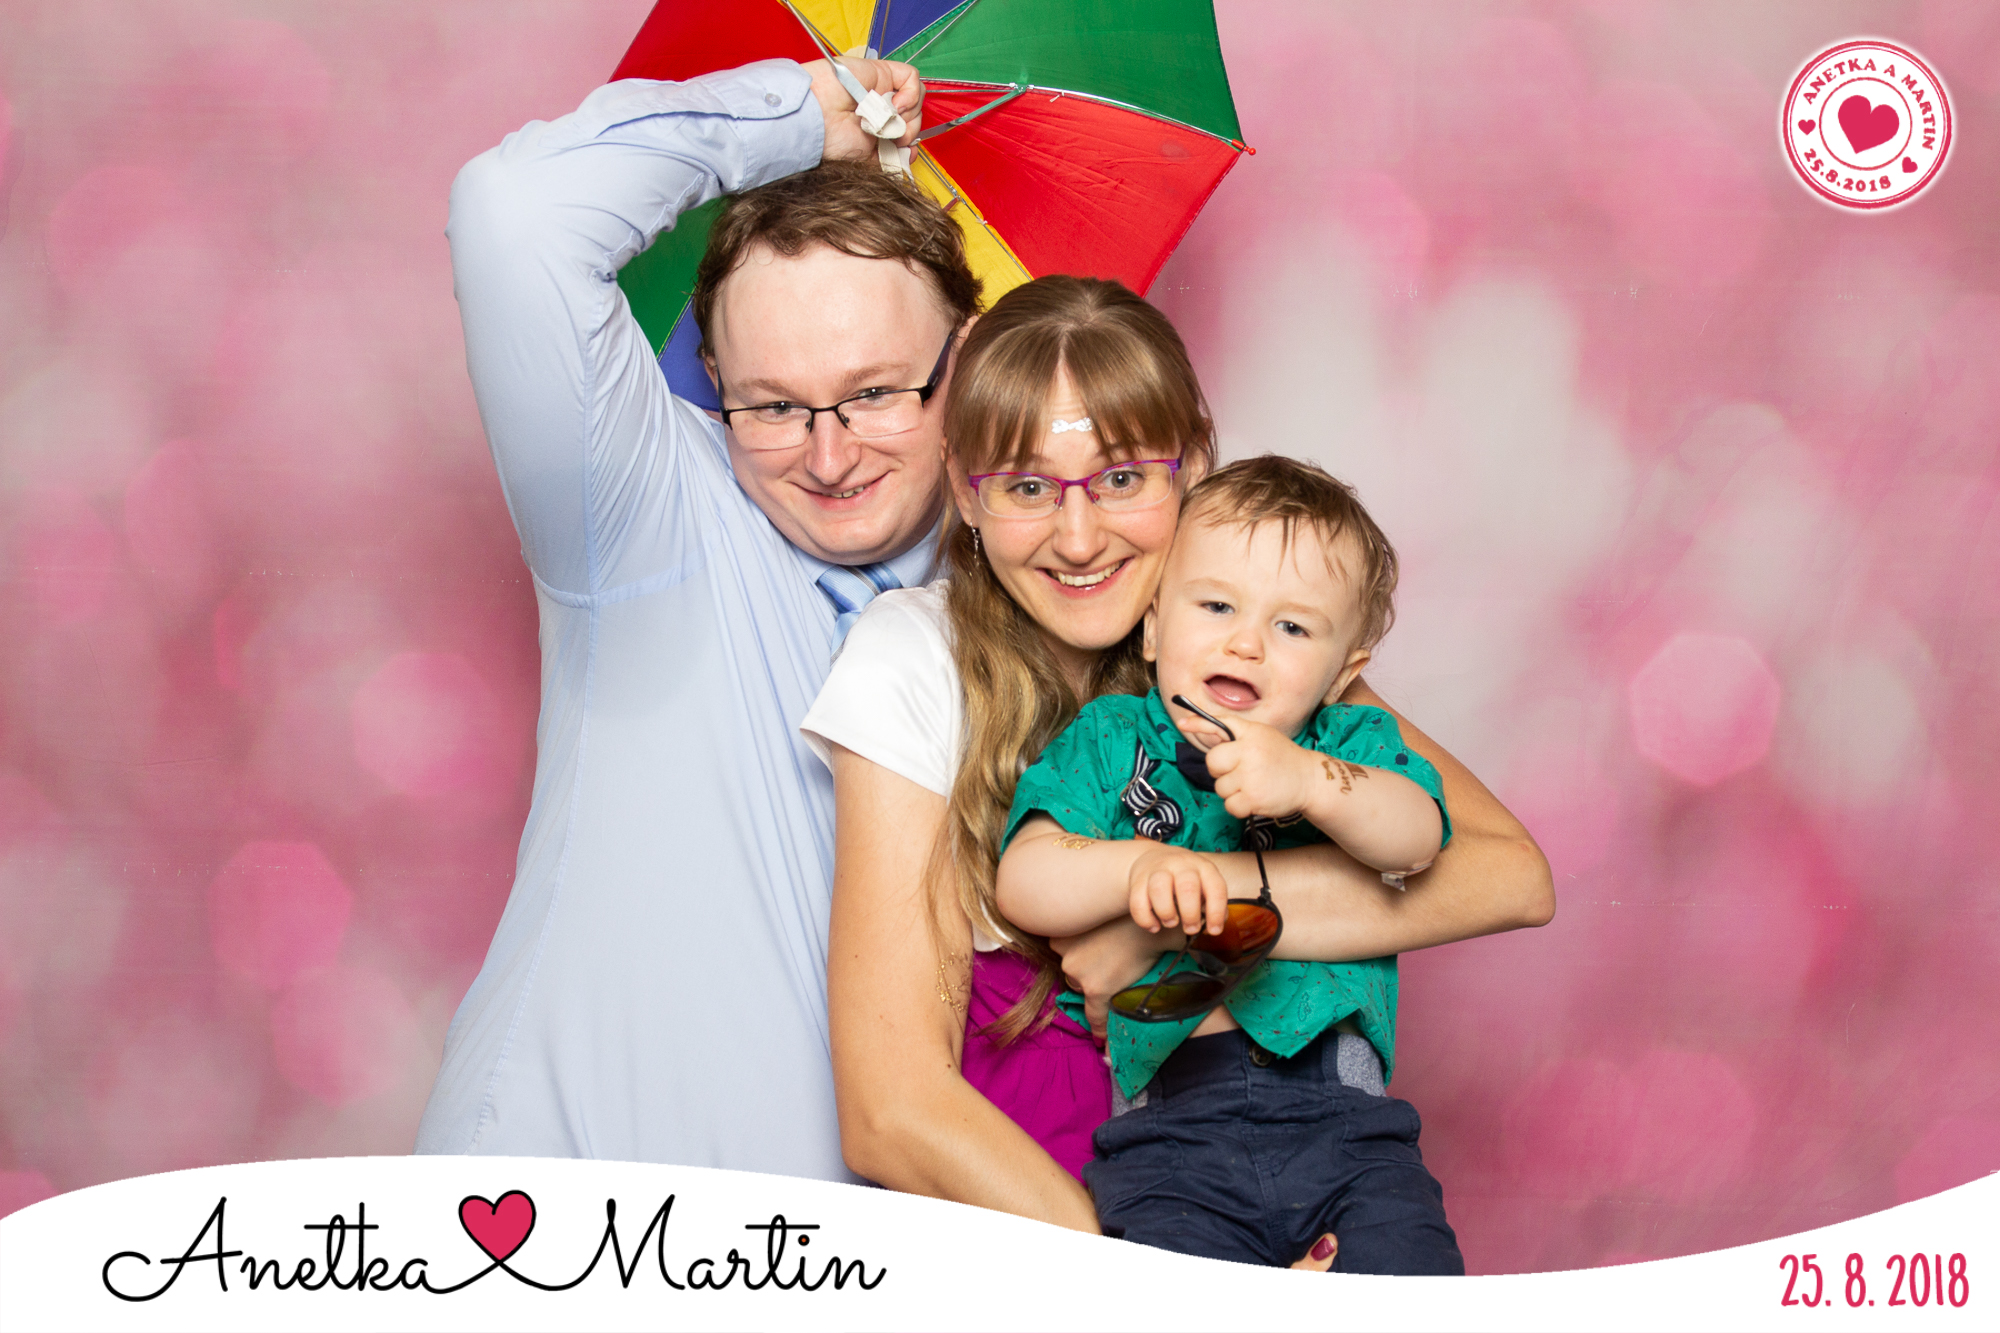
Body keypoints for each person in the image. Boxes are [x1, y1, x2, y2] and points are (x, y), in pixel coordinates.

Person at [802, 277, 1555, 1245]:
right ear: (966, 489)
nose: (1080, 538)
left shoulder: (1248, 649)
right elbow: (890, 1109)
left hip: (1306, 1172)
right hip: (1082, 1233)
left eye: (1121, 479)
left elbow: (1507, 876)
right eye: (1027, 487)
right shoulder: (916, 656)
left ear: (1191, 464)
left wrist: (1187, 924)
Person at [416, 54, 968, 1179]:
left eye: (875, 393)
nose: (828, 457)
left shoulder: (1036, 612)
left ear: (967, 357)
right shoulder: (643, 514)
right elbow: (514, 212)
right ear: (712, 379)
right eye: (771, 405)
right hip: (548, 1218)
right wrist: (798, 120)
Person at [995, 454, 1462, 1272]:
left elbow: (1418, 835)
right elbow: (1024, 878)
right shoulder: (1111, 738)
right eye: (1216, 605)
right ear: (1152, 626)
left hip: (1348, 1130)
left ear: (1343, 671)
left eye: (1293, 628)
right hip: (1170, 1140)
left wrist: (1311, 781)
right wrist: (1133, 866)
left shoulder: (1346, 742)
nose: (1245, 642)